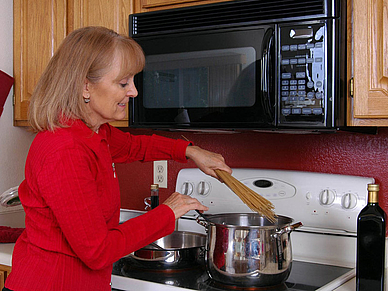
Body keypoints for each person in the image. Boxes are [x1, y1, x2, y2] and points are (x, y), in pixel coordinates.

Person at [4, 26, 232, 291]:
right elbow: (98, 251)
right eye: (123, 83)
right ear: (85, 87)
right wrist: (167, 213)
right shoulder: (64, 149)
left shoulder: (91, 131)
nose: (133, 91)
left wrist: (191, 152)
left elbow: (135, 146)